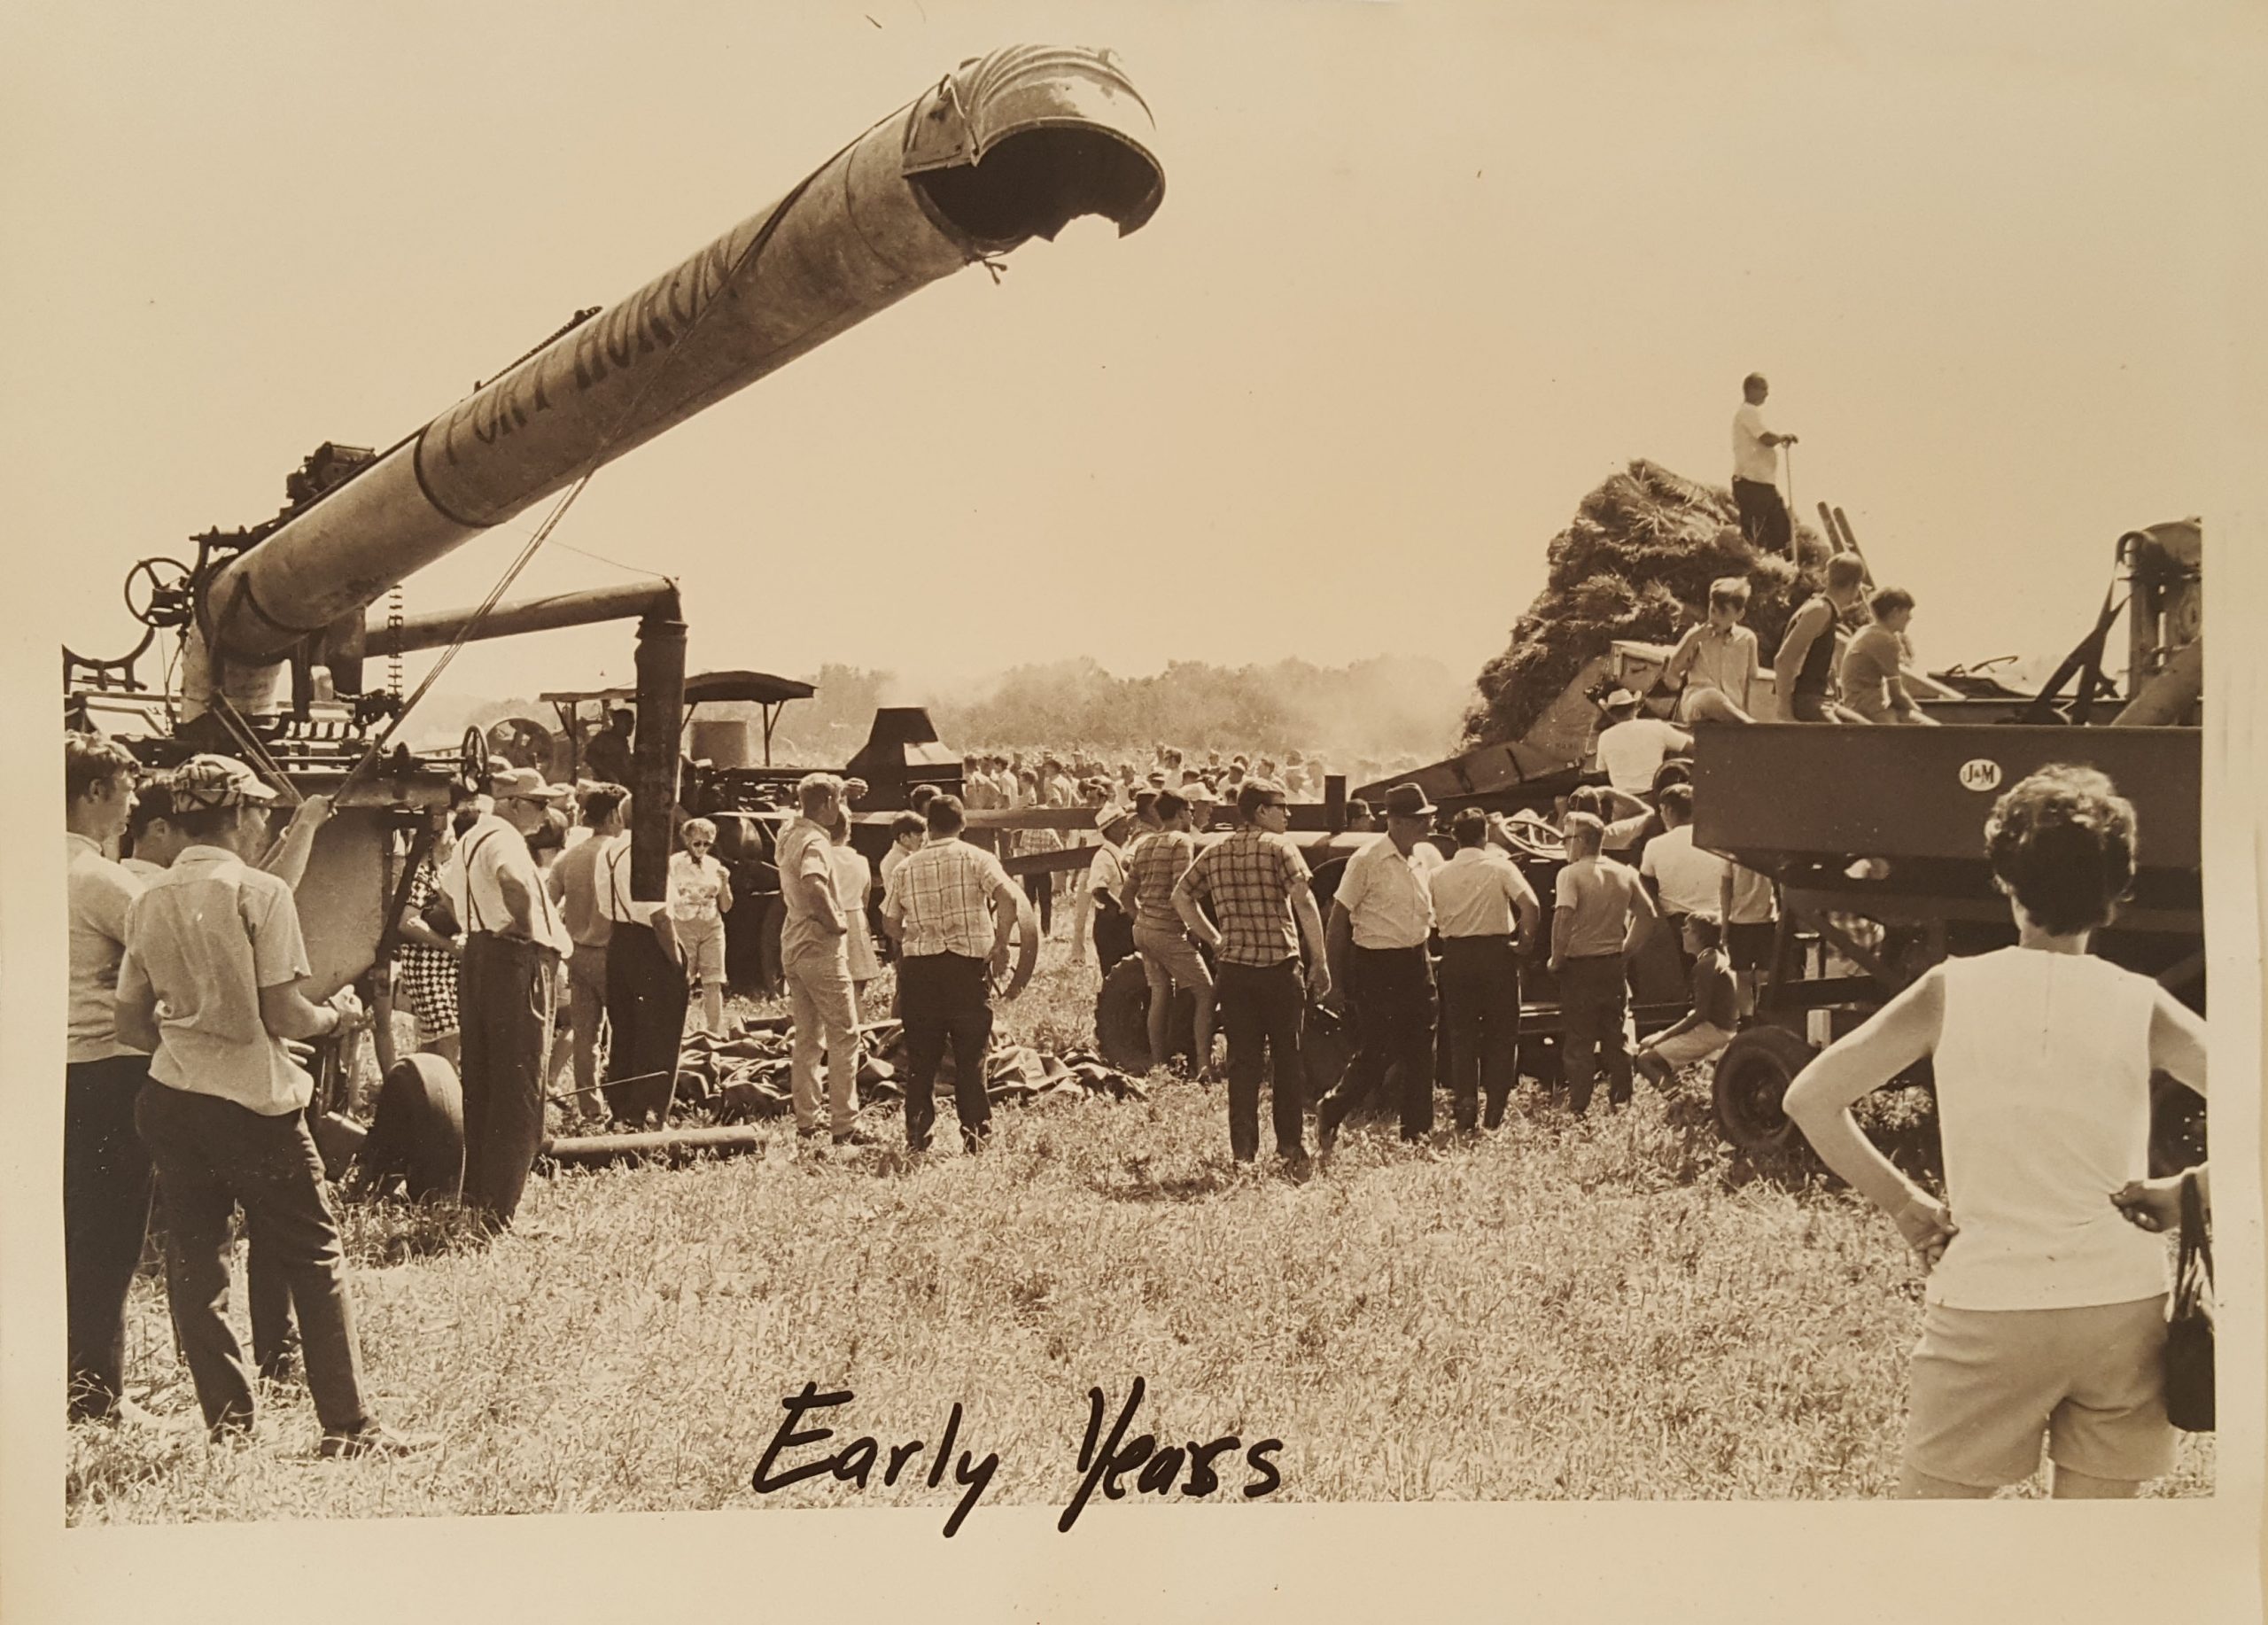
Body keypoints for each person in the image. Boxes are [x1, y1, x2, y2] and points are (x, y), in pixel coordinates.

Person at [1784, 765, 2208, 1500]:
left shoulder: (1951, 989)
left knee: (1941, 1552)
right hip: (2121, 1310)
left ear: (2004, 881)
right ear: (2119, 894)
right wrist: (2191, 1191)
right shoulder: (2141, 1003)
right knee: (2091, 1569)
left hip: (1988, 1305)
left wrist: (1906, 1205)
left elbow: (1811, 1097)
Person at [114, 753, 431, 1457]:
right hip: (254, 1106)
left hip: (172, 1097)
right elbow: (287, 1014)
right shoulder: (262, 894)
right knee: (313, 1256)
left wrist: (192, 1034)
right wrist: (338, 1019)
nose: (266, 824)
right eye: (262, 812)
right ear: (238, 816)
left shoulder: (148, 898)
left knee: (197, 1265)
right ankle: (348, 1427)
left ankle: (229, 1428)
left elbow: (131, 1023)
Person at [65, 735, 155, 1423]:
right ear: (93, 792)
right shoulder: (98, 878)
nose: (131, 806)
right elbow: (181, 945)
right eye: (125, 792)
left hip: (50, 1075)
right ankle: (96, 1397)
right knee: (107, 1240)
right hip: (107, 1074)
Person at [1172, 778, 1331, 1165]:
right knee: (1288, 1059)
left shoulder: (1216, 850)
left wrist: (1214, 939)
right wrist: (1321, 961)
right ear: (1261, 811)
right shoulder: (1281, 848)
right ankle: (1290, 1146)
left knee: (1243, 1063)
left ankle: (1243, 1151)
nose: (1287, 813)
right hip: (1279, 969)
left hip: (1235, 970)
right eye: (1281, 806)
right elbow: (1305, 903)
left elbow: (1181, 896)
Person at [449, 765, 573, 1228]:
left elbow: (447, 897)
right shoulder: (502, 837)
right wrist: (526, 929)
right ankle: (501, 1211)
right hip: (516, 959)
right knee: (521, 1085)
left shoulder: (468, 839)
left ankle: (480, 1200)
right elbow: (514, 883)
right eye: (538, 804)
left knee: (483, 1081)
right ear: (511, 803)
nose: (544, 814)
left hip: (481, 954)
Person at [881, 793, 1023, 1154]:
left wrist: (916, 936)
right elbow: (1008, 899)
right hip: (965, 969)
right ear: (963, 824)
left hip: (920, 972)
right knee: (970, 1055)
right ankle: (975, 1136)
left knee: (921, 1059)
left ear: (928, 826)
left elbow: (889, 921)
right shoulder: (978, 858)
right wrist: (1002, 944)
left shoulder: (906, 866)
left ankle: (917, 1136)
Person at [1317, 784, 1446, 1147]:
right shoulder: (1366, 860)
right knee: (1379, 1050)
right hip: (1378, 966)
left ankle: (1417, 1135)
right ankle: (1333, 1108)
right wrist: (1335, 981)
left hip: (1416, 962)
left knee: (1423, 1050)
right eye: (1422, 820)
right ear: (1400, 822)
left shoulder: (1421, 859)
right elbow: (1338, 919)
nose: (1429, 825)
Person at [1427, 806, 1542, 1133]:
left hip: (1456, 956)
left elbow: (1425, 916)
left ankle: (1465, 1110)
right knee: (1502, 1036)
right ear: (1485, 835)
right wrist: (1525, 944)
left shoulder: (1437, 874)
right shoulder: (1499, 867)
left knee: (1461, 1037)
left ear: (1454, 838)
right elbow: (1530, 905)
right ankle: (1494, 1114)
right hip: (1495, 955)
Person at [1548, 811, 1658, 1115]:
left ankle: (1579, 1108)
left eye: (1566, 839)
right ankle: (1622, 1102)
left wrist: (1556, 958)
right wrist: (1625, 951)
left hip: (1580, 965)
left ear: (1581, 841)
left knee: (1579, 1041)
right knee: (1616, 1035)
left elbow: (1564, 918)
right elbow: (1648, 916)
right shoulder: (1624, 872)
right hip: (1612, 964)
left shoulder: (1569, 874)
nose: (1563, 844)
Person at [775, 775, 861, 1145]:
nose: (841, 808)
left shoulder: (789, 833)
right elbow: (814, 883)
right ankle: (845, 1124)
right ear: (827, 803)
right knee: (845, 1035)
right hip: (819, 946)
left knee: (808, 1040)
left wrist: (842, 788)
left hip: (793, 943)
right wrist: (836, 922)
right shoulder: (814, 841)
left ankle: (807, 1121)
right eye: (838, 801)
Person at [597, 797, 686, 1125]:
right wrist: (676, 961)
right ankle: (648, 1111)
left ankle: (621, 1107)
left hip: (620, 939)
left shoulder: (609, 849)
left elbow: (605, 905)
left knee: (625, 1028)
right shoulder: (645, 852)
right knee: (658, 1030)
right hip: (649, 944)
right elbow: (660, 916)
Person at [551, 782, 625, 1125]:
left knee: (585, 1035)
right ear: (613, 815)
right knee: (627, 1031)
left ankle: (590, 1108)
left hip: (576, 954)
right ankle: (625, 1103)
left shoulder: (568, 856)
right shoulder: (621, 852)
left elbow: (548, 905)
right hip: (613, 954)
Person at [1125, 790, 1214, 1073]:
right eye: (1189, 810)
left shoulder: (1144, 844)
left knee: (1159, 992)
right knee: (1206, 992)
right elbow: (1181, 891)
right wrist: (1195, 929)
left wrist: (1145, 919)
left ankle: (1159, 1063)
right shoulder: (1182, 841)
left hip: (1143, 930)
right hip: (1166, 932)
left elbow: (1127, 895)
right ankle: (1203, 1064)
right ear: (1179, 814)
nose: (1191, 815)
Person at [1633, 913, 1738, 1089]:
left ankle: (1677, 1100)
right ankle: (1682, 1090)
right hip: (1721, 1028)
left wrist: (1662, 1037)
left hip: (1714, 1031)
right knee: (1648, 1045)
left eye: (1687, 929)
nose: (1682, 931)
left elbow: (1700, 1014)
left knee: (1645, 1060)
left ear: (1700, 936)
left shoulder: (1705, 965)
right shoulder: (1716, 958)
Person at [1773, 552, 1869, 722]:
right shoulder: (1819, 611)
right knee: (1850, 738)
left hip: (1821, 700)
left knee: (1868, 732)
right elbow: (1784, 660)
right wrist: (1784, 712)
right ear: (1855, 585)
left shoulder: (1825, 610)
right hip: (1806, 700)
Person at [1637, 782, 1726, 955]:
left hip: (1676, 927)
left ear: (1669, 810)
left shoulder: (1655, 845)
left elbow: (1646, 885)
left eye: (1662, 810)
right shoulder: (1717, 841)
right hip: (1717, 920)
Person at [669, 816, 736, 1039]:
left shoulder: (714, 865)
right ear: (686, 840)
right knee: (682, 981)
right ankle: (676, 1032)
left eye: (707, 844)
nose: (702, 848)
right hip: (683, 924)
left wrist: (725, 883)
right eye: (697, 843)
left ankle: (715, 1033)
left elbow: (726, 907)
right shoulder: (674, 864)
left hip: (711, 925)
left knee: (713, 979)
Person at [1661, 577, 1762, 725]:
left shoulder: (1747, 639)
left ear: (1739, 614)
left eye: (1723, 614)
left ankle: (1744, 724)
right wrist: (1692, 641)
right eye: (1713, 610)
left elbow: (1751, 681)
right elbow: (1672, 674)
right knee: (1712, 696)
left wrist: (1746, 710)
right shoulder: (1696, 635)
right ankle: (1750, 728)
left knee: (1723, 701)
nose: (1715, 618)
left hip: (1733, 712)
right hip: (1697, 706)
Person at [1843, 587, 1938, 726]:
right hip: (1868, 707)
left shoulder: (1867, 631)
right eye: (1908, 612)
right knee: (1933, 730)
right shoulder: (1886, 639)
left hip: (1856, 702)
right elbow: (1896, 694)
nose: (1910, 617)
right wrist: (1919, 710)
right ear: (1895, 612)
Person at [1731, 371, 1797, 556]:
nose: (1767, 394)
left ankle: (1773, 567)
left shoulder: (1752, 413)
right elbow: (1765, 438)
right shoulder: (1747, 412)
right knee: (1757, 532)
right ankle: (1760, 567)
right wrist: (1782, 437)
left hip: (1762, 483)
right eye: (1763, 389)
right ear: (1751, 389)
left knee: (1779, 528)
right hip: (1751, 482)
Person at [1594, 689, 1693, 801]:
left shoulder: (1605, 737)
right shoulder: (1656, 727)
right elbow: (1694, 749)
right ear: (1635, 707)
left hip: (1623, 802)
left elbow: (1602, 774)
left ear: (1611, 714)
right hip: (1654, 799)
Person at [829, 812, 882, 1010]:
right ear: (848, 832)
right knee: (857, 983)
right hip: (856, 917)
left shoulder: (821, 857)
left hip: (829, 918)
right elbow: (865, 895)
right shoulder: (860, 861)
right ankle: (856, 1022)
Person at [1720, 848, 1778, 1018]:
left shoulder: (1730, 854)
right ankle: (1762, 1015)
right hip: (1767, 920)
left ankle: (1748, 1018)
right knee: (1764, 975)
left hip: (1740, 921)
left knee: (1743, 975)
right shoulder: (1769, 853)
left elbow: (1725, 890)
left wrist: (1724, 925)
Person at [1086, 805, 1138, 978]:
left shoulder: (1121, 853)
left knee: (1130, 973)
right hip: (1112, 925)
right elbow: (1098, 889)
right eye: (1123, 826)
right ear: (1111, 830)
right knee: (1113, 974)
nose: (1128, 830)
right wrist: (1118, 908)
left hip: (1125, 921)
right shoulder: (1103, 856)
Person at [585, 705, 635, 787]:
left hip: (624, 784)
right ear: (617, 722)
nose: (631, 727)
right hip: (608, 785)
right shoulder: (604, 739)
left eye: (632, 723)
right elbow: (590, 757)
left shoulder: (623, 741)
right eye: (627, 723)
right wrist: (608, 775)